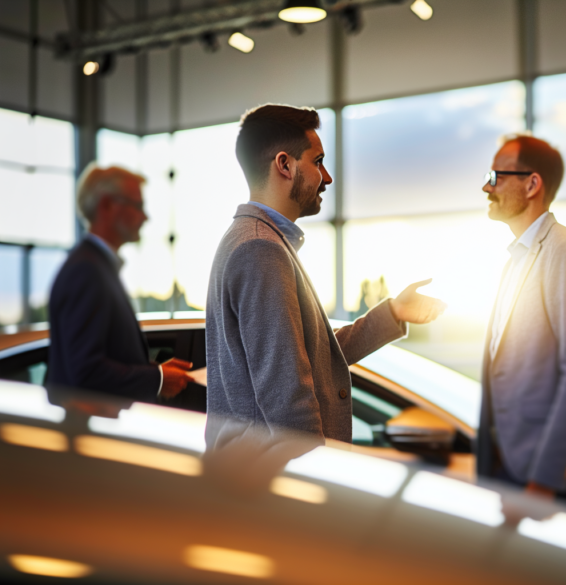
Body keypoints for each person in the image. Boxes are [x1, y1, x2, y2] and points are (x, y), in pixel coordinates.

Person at [206, 104, 446, 445]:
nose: (327, 177)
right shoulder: (261, 249)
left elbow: (314, 360)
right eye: (317, 162)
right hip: (273, 485)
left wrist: (393, 313)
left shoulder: (257, 241)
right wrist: (321, 482)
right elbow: (289, 401)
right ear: (285, 165)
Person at [475, 134, 566, 508]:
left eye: (497, 175)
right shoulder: (513, 261)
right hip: (510, 467)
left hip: (547, 478)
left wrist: (544, 481)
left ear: (533, 184)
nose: (487, 186)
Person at [47, 164, 193, 400]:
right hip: (91, 432)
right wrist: (158, 379)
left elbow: (107, 358)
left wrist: (157, 371)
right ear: (106, 205)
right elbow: (87, 372)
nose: (145, 217)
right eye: (137, 205)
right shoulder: (86, 271)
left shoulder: (94, 266)